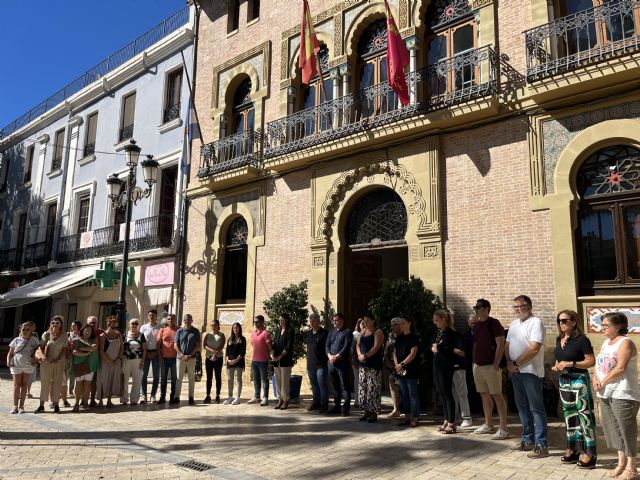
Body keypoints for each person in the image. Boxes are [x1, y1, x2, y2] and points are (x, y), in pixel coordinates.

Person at [593, 312, 640, 480]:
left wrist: (603, 381)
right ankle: (621, 463)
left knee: (626, 430)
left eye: (606, 325)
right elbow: (598, 365)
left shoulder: (626, 343)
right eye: (602, 325)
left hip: (623, 392)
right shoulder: (606, 343)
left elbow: (620, 368)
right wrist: (595, 378)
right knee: (612, 429)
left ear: (619, 326)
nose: (602, 328)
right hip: (605, 392)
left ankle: (632, 468)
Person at [551, 310, 596, 468]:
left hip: (579, 380)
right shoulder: (559, 339)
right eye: (559, 321)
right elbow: (560, 357)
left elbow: (591, 361)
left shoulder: (582, 339)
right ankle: (573, 448)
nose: (561, 323)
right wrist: (558, 366)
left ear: (574, 322)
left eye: (565, 320)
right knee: (569, 415)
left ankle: (590, 453)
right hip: (564, 381)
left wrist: (572, 364)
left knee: (584, 416)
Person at [506, 295, 548, 458]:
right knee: (522, 406)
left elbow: (534, 348)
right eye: (514, 306)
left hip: (530, 371)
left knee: (536, 408)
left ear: (528, 307)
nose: (516, 309)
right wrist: (509, 363)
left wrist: (515, 363)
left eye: (519, 306)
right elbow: (507, 344)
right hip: (515, 371)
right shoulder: (514, 323)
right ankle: (527, 439)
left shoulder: (536, 322)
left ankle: (542, 444)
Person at [472, 299, 509, 440]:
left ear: (487, 308)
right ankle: (488, 424)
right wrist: (474, 363)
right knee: (484, 394)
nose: (476, 309)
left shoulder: (494, 323)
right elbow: (476, 345)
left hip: (490, 366)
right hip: (478, 365)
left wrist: (496, 363)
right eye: (475, 307)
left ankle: (504, 428)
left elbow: (501, 344)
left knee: (497, 395)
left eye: (479, 307)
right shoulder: (476, 325)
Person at [34, 316, 68, 414]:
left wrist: (58, 359)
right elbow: (40, 347)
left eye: (57, 323)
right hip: (46, 362)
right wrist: (42, 356)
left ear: (61, 324)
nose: (55, 324)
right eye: (53, 322)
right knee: (45, 383)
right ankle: (41, 405)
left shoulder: (64, 335)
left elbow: (64, 349)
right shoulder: (46, 334)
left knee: (57, 383)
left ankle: (56, 405)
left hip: (59, 362)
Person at [432, 309, 458, 434]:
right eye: (434, 320)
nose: (435, 322)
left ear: (443, 319)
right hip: (437, 364)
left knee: (447, 393)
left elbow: (448, 349)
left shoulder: (450, 332)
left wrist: (438, 348)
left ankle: (452, 422)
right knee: (440, 392)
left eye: (437, 320)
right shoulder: (439, 332)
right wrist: (437, 348)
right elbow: (432, 346)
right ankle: (446, 419)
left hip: (446, 365)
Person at [356, 313, 385, 423]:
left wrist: (366, 355)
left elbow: (376, 347)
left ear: (373, 321)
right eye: (364, 321)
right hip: (363, 364)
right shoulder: (363, 331)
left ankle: (373, 413)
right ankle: (366, 411)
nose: (365, 323)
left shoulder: (378, 332)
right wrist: (359, 355)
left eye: (367, 320)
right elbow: (357, 345)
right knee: (363, 388)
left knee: (373, 388)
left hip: (374, 365)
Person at [394, 315, 420, 427]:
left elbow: (413, 353)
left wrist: (402, 364)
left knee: (412, 394)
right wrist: (397, 365)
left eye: (403, 323)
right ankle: (407, 416)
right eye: (400, 324)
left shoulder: (414, 337)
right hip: (400, 370)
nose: (401, 325)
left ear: (409, 323)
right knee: (404, 394)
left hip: (411, 369)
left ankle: (415, 417)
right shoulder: (399, 337)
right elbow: (394, 352)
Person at [7, 322, 39, 413]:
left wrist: (35, 360)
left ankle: (22, 406)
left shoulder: (34, 340)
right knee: (16, 385)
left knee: (24, 385)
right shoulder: (16, 340)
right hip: (16, 364)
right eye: (23, 329)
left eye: (27, 329)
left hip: (28, 365)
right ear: (20, 330)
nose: (25, 331)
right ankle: (15, 406)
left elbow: (38, 351)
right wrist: (8, 361)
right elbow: (10, 352)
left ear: (30, 331)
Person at [326, 313, 352, 416]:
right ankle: (337, 406)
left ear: (342, 321)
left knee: (345, 385)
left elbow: (346, 348)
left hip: (342, 363)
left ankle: (346, 407)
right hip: (331, 363)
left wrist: (336, 357)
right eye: (333, 320)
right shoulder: (331, 332)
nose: (334, 322)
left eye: (336, 320)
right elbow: (327, 345)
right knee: (335, 386)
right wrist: (329, 356)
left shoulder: (347, 332)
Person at [97, 315, 124, 408]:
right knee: (103, 380)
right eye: (113, 321)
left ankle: (109, 400)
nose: (115, 322)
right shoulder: (103, 335)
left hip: (116, 361)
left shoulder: (119, 334)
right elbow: (101, 350)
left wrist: (118, 359)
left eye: (116, 321)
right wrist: (109, 361)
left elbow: (121, 348)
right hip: (105, 362)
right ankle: (100, 401)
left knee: (113, 380)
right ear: (108, 323)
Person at [71, 323, 99, 411]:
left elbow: (92, 348)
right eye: (86, 330)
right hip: (79, 364)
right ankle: (76, 404)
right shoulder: (76, 340)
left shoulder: (94, 339)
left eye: (90, 331)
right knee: (78, 384)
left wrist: (82, 349)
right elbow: (74, 352)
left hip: (90, 365)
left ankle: (85, 403)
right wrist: (86, 353)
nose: (87, 332)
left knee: (87, 384)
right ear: (82, 331)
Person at [175, 313, 201, 405]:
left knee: (191, 378)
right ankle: (176, 397)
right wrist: (182, 355)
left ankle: (191, 397)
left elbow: (197, 345)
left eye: (189, 319)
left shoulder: (196, 331)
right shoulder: (179, 331)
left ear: (192, 321)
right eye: (185, 319)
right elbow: (175, 345)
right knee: (179, 377)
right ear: (183, 321)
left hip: (192, 358)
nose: (187, 321)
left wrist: (189, 355)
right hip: (180, 358)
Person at [306, 313, 328, 412]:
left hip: (321, 364)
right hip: (310, 365)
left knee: (322, 385)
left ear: (318, 321)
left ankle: (324, 405)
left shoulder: (324, 333)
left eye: (313, 321)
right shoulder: (308, 333)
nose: (311, 323)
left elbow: (328, 348)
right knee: (314, 386)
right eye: (310, 321)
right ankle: (316, 403)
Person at [272, 313, 295, 410]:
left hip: (285, 360)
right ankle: (280, 399)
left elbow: (289, 346)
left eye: (282, 320)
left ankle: (286, 400)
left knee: (285, 381)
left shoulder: (290, 330)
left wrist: (280, 356)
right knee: (278, 380)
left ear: (286, 320)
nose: (280, 321)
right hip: (276, 360)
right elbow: (274, 343)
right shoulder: (277, 330)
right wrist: (272, 354)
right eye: (279, 320)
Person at [122, 318, 147, 406]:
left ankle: (134, 399)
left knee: (137, 380)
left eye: (136, 323)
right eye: (133, 323)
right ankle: (124, 399)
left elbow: (144, 350)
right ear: (129, 325)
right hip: (126, 360)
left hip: (138, 360)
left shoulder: (141, 335)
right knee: (125, 379)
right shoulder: (125, 335)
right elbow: (121, 349)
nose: (134, 325)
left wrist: (142, 362)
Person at [249, 315, 272, 406]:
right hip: (254, 360)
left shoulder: (266, 333)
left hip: (264, 361)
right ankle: (257, 397)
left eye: (257, 321)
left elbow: (270, 347)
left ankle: (265, 397)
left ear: (262, 322)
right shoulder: (253, 333)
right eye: (254, 322)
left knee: (264, 380)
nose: (255, 323)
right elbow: (253, 345)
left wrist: (268, 356)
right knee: (256, 379)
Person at [452, 325, 472, 429]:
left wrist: (447, 348)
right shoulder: (440, 335)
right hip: (447, 368)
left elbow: (463, 353)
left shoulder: (458, 336)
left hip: (459, 367)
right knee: (451, 394)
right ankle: (454, 418)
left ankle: (466, 418)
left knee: (462, 393)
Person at [140, 309, 162, 404]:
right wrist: (145, 352)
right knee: (143, 375)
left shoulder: (161, 327)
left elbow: (162, 342)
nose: (151, 316)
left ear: (156, 316)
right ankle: (143, 395)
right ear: (148, 316)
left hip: (156, 354)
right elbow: (140, 341)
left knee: (156, 376)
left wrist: (157, 353)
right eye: (150, 315)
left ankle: (153, 395)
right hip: (146, 353)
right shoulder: (144, 327)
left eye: (153, 315)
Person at [157, 313, 178, 405]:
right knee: (164, 379)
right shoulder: (162, 330)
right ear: (166, 320)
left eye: (172, 319)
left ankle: (172, 397)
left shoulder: (179, 330)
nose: (171, 320)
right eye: (169, 319)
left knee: (174, 379)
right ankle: (162, 397)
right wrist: (159, 355)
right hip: (164, 358)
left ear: (175, 320)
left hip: (175, 359)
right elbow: (158, 343)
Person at [383, 317, 402, 418]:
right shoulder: (390, 335)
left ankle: (408, 410)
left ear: (400, 325)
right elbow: (386, 349)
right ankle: (396, 409)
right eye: (392, 324)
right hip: (391, 365)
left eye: (395, 324)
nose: (392, 326)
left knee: (404, 387)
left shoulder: (404, 335)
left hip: (402, 365)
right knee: (393, 386)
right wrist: (386, 359)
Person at [203, 319, 226, 404]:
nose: (213, 327)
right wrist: (212, 352)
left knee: (218, 377)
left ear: (218, 326)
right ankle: (208, 395)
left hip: (218, 358)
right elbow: (204, 345)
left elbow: (222, 345)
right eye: (212, 325)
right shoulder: (207, 335)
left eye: (214, 325)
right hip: (208, 358)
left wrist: (215, 353)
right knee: (209, 377)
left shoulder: (221, 335)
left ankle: (217, 395)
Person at [224, 322, 246, 405]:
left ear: (239, 329)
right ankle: (230, 397)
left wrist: (236, 360)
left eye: (236, 328)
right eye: (233, 328)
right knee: (230, 379)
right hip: (230, 362)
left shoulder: (242, 339)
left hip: (239, 362)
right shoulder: (230, 339)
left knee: (238, 379)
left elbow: (243, 352)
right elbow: (226, 351)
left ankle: (238, 397)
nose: (235, 329)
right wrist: (227, 360)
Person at [86, 315, 103, 407]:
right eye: (90, 323)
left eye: (94, 323)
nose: (92, 324)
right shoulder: (83, 332)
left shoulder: (101, 332)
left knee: (93, 381)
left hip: (96, 360)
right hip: (84, 360)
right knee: (84, 381)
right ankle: (83, 400)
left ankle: (92, 400)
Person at [67, 321, 82, 399]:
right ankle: (70, 390)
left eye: (74, 325)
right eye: (72, 325)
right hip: (70, 356)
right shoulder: (68, 334)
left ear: (78, 326)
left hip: (79, 356)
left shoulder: (81, 334)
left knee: (79, 373)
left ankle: (79, 390)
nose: (72, 327)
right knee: (70, 373)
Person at [352, 317, 364, 408]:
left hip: (367, 360)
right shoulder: (355, 334)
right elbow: (352, 349)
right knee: (357, 380)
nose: (363, 324)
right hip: (356, 360)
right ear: (358, 324)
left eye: (365, 323)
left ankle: (364, 400)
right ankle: (357, 400)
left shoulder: (370, 333)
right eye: (361, 323)